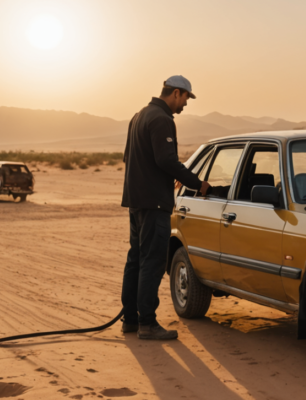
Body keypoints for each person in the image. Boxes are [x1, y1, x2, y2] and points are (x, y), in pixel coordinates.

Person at [120, 75, 210, 340]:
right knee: (153, 262)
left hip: (136, 201)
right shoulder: (162, 119)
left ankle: (130, 320)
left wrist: (159, 178)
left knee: (136, 259)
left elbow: (129, 158)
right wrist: (198, 184)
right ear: (176, 93)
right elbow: (166, 160)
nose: (185, 105)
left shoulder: (138, 116)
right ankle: (147, 323)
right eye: (185, 98)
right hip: (154, 203)